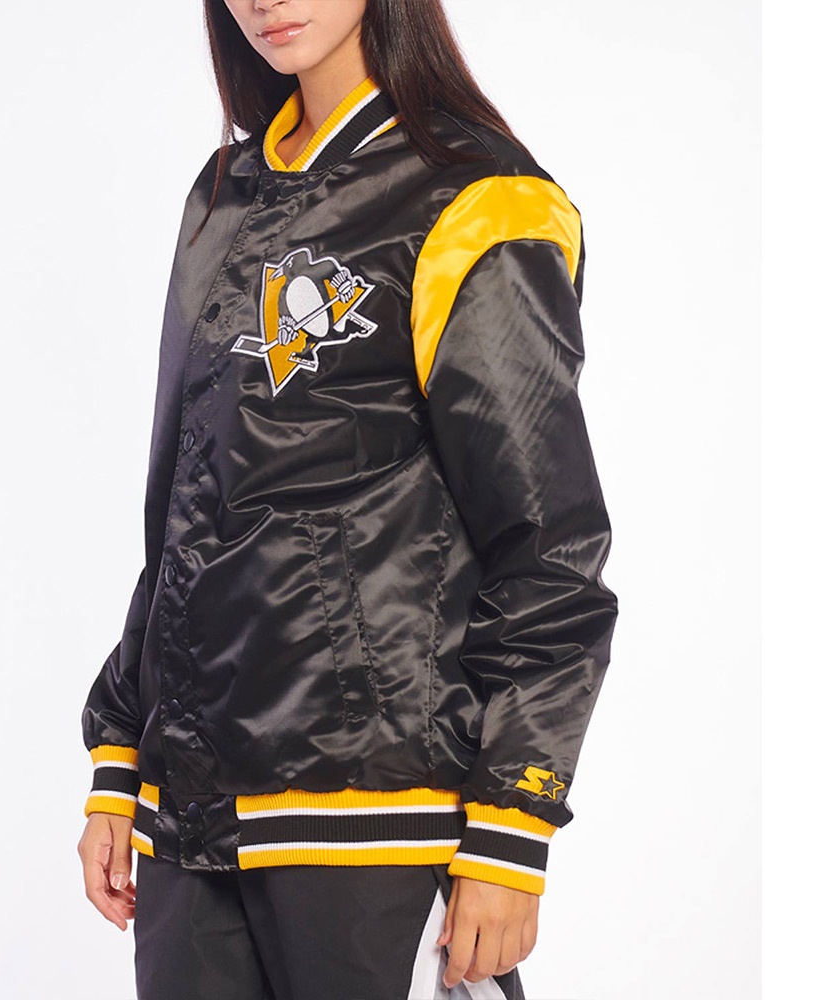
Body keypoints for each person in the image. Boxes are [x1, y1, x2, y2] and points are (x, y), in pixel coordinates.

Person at [75, 1, 619, 998]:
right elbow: (183, 510)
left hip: (378, 819)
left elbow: (547, 544)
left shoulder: (475, 202)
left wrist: (514, 823)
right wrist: (121, 749)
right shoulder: (223, 195)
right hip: (191, 818)